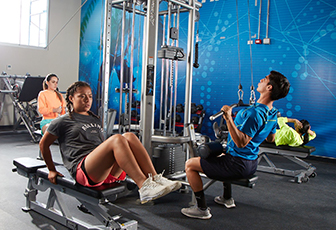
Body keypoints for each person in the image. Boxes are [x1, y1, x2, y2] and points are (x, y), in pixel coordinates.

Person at [39, 81, 181, 204]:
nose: (87, 100)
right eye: (81, 96)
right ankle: (143, 186)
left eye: (89, 96)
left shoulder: (93, 118)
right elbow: (43, 145)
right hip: (83, 170)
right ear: (71, 98)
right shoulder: (61, 121)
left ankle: (155, 178)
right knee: (117, 139)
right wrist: (52, 169)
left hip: (104, 170)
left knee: (129, 136)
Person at [181, 70, 290, 219]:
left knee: (190, 164)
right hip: (251, 163)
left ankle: (201, 209)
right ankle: (227, 198)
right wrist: (254, 135)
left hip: (236, 165)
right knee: (223, 154)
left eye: (264, 79)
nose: (260, 80)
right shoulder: (273, 113)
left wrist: (228, 118)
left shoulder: (254, 113)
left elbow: (240, 142)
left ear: (269, 87)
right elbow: (271, 138)